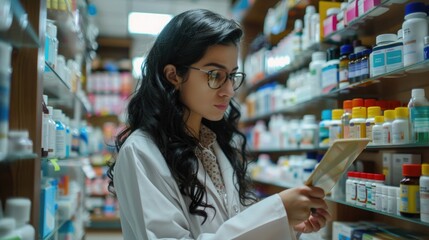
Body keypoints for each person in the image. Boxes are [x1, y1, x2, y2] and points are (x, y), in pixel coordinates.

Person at [108, 9, 331, 240]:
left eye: (232, 75)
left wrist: (287, 223)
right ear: (173, 75)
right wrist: (276, 212)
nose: (229, 91)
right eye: (214, 75)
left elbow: (233, 223)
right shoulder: (142, 152)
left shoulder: (213, 144)